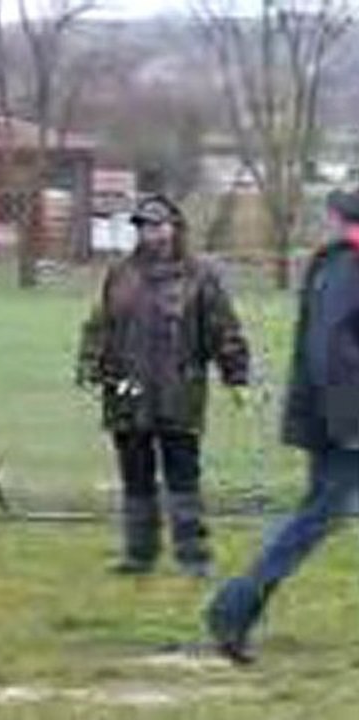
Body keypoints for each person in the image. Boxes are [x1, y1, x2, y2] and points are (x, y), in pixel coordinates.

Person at [207, 188, 359, 663]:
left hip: (339, 415)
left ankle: (235, 605)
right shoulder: (347, 268)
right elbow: (330, 350)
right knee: (318, 516)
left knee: (317, 514)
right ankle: (235, 606)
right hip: (345, 421)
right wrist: (350, 421)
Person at [76, 194, 250, 577]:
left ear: (174, 228)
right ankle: (139, 554)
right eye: (143, 227)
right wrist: (89, 364)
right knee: (135, 476)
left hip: (179, 393)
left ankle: (193, 555)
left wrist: (235, 374)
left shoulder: (200, 277)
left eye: (157, 226)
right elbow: (99, 325)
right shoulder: (120, 274)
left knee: (183, 476)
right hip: (126, 392)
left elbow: (224, 329)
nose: (150, 234)